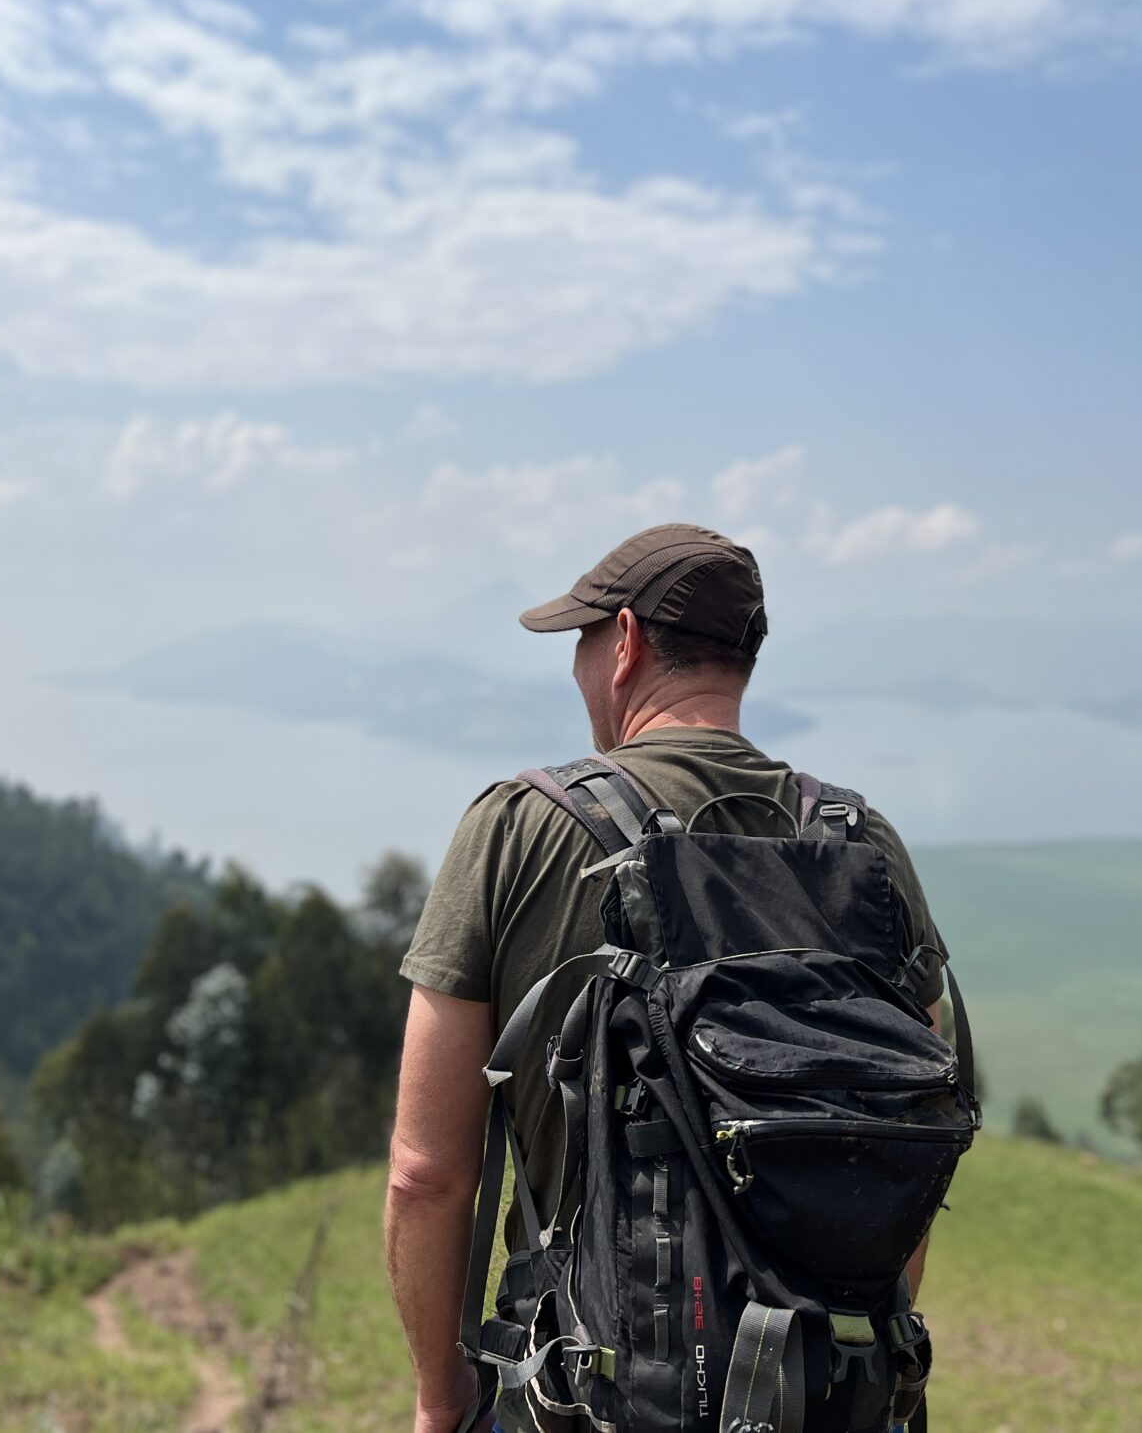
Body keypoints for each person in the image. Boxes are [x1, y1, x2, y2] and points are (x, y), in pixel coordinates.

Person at [385, 523, 952, 1433]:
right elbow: (916, 1124)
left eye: (581, 640)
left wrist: (440, 1398)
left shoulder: (520, 827)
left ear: (626, 643)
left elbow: (425, 1172)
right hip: (827, 1393)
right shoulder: (861, 843)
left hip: (588, 1396)